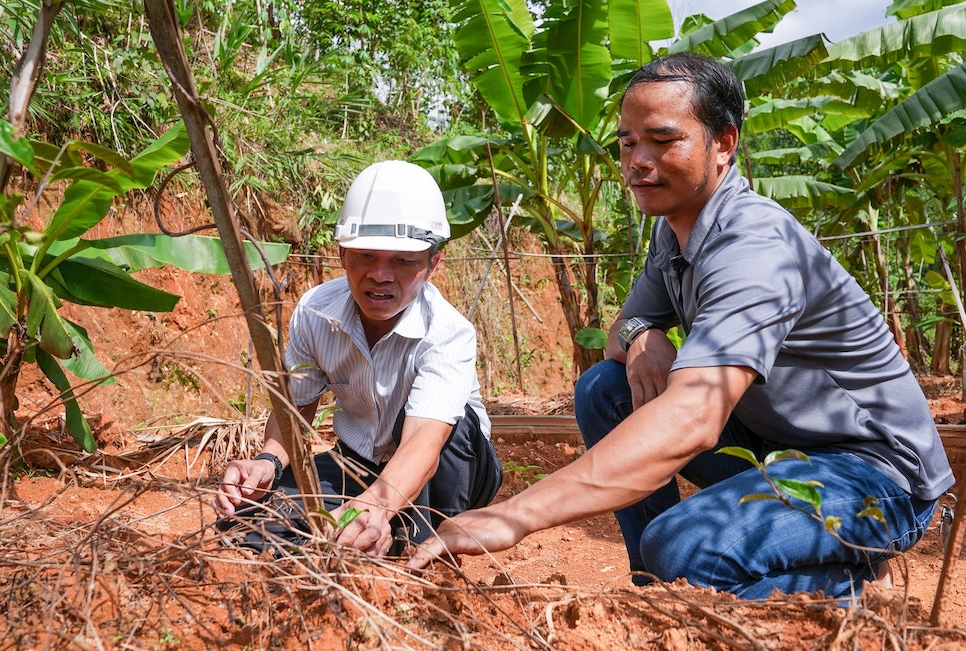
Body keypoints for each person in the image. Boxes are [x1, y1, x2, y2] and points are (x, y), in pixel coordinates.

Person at [409, 53, 955, 600]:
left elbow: (694, 418)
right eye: (627, 143)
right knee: (606, 389)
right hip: (775, 446)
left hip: (875, 475)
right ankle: (654, 592)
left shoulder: (754, 247)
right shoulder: (674, 233)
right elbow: (623, 323)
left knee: (685, 546)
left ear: (724, 143)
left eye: (663, 140)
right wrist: (645, 334)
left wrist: (514, 515)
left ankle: (853, 585)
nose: (638, 161)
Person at [214, 160, 502, 556]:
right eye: (366, 255)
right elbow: (293, 413)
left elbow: (425, 441)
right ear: (342, 254)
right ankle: (371, 527)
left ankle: (414, 535)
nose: (381, 275)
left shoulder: (448, 332)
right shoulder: (316, 311)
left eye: (403, 261)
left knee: (442, 434)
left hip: (450, 470)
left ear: (432, 264)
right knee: (250, 520)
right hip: (360, 465)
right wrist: (268, 463)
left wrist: (377, 506)